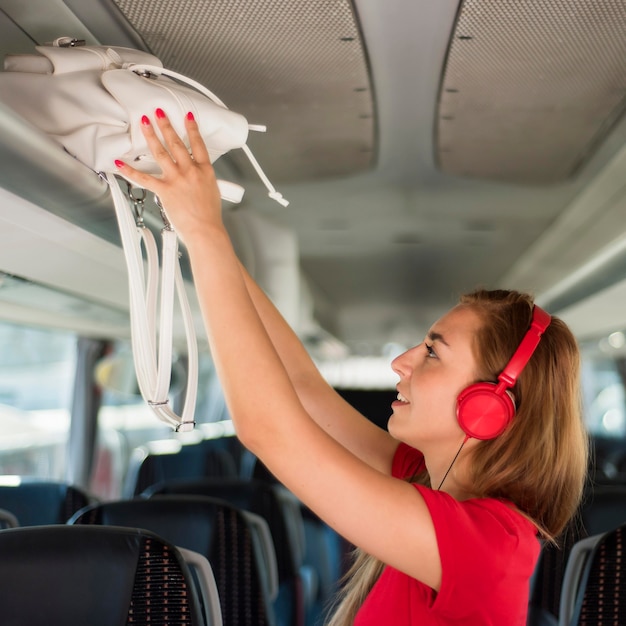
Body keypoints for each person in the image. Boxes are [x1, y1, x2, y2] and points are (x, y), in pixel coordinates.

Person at [114, 109, 589, 625]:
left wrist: (204, 232)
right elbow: (303, 390)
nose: (400, 362)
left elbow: (269, 431)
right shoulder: (424, 480)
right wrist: (200, 233)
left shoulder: (491, 545)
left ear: (488, 409)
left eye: (432, 352)